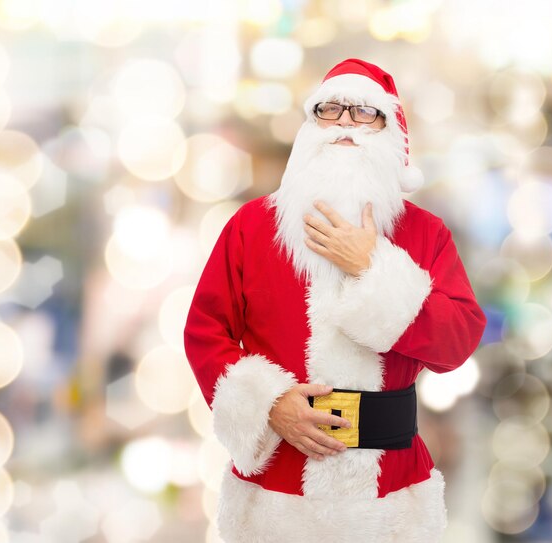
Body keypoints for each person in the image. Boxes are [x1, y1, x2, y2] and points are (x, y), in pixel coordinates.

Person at [183, 58, 486, 542]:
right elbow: (205, 332)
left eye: (365, 112)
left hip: (390, 494)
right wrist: (270, 403)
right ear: (310, 126)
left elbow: (457, 343)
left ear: (390, 131)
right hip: (277, 497)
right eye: (330, 109)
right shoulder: (251, 227)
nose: (345, 122)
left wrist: (373, 268)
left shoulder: (426, 233)